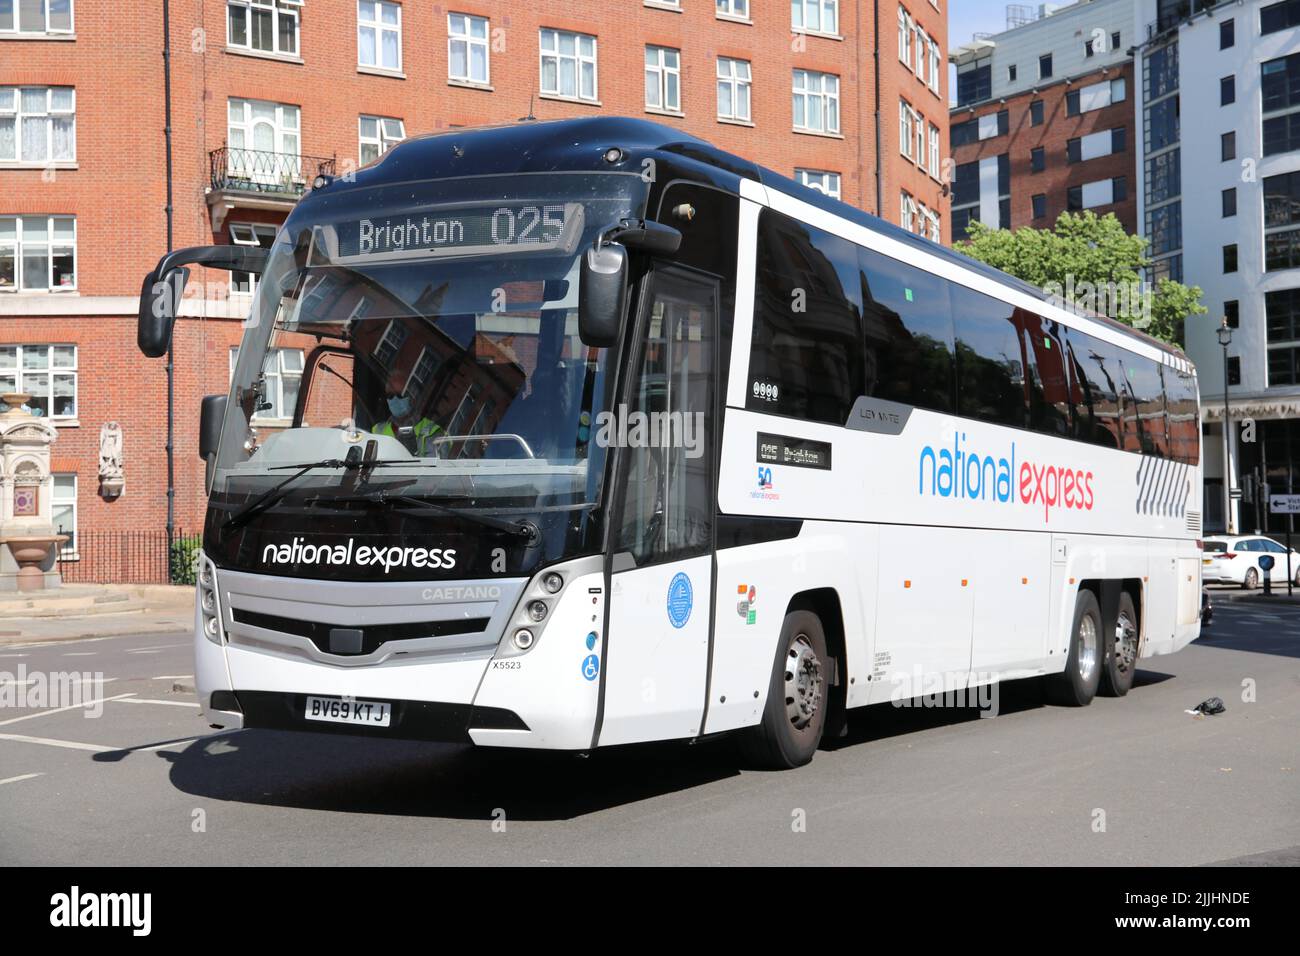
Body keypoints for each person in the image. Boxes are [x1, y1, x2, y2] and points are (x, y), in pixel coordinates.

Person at [372, 368, 442, 456]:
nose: (394, 399)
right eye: (390, 395)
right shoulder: (378, 430)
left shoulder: (432, 431)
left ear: (412, 396)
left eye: (400, 395)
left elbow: (436, 467)